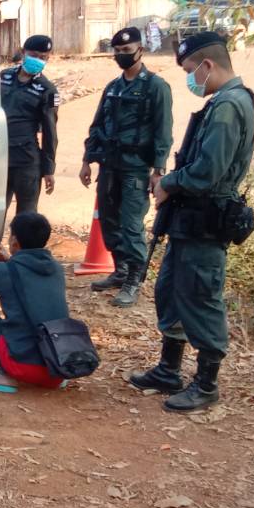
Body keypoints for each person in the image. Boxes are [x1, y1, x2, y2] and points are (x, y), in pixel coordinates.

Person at [130, 31, 254, 413]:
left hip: (206, 220)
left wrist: (168, 183)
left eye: (190, 70)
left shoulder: (229, 106)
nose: (190, 78)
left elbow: (206, 172)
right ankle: (169, 369)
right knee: (171, 291)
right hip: (188, 221)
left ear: (207, 65)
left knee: (201, 298)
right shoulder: (223, 102)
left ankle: (206, 385)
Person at [80, 26, 174, 308]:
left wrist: (158, 171)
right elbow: (97, 125)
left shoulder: (156, 86)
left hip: (136, 167)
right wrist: (87, 160)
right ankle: (120, 270)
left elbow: (163, 131)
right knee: (109, 221)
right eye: (118, 51)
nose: (121, 54)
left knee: (131, 225)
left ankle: (134, 278)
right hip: (109, 165)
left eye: (127, 50)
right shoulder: (113, 88)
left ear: (140, 50)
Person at [0, 212, 68, 393]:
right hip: (58, 368)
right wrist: (12, 259)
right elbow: (28, 279)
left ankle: (4, 375)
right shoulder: (56, 268)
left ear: (15, 242)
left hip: (24, 367)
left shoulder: (0, 271)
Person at [0, 34, 60, 222]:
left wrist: (48, 169)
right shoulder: (3, 77)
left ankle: (21, 244)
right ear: (23, 52)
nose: (38, 60)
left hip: (27, 160)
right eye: (34, 55)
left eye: (43, 57)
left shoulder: (48, 90)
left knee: (26, 218)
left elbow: (50, 132)